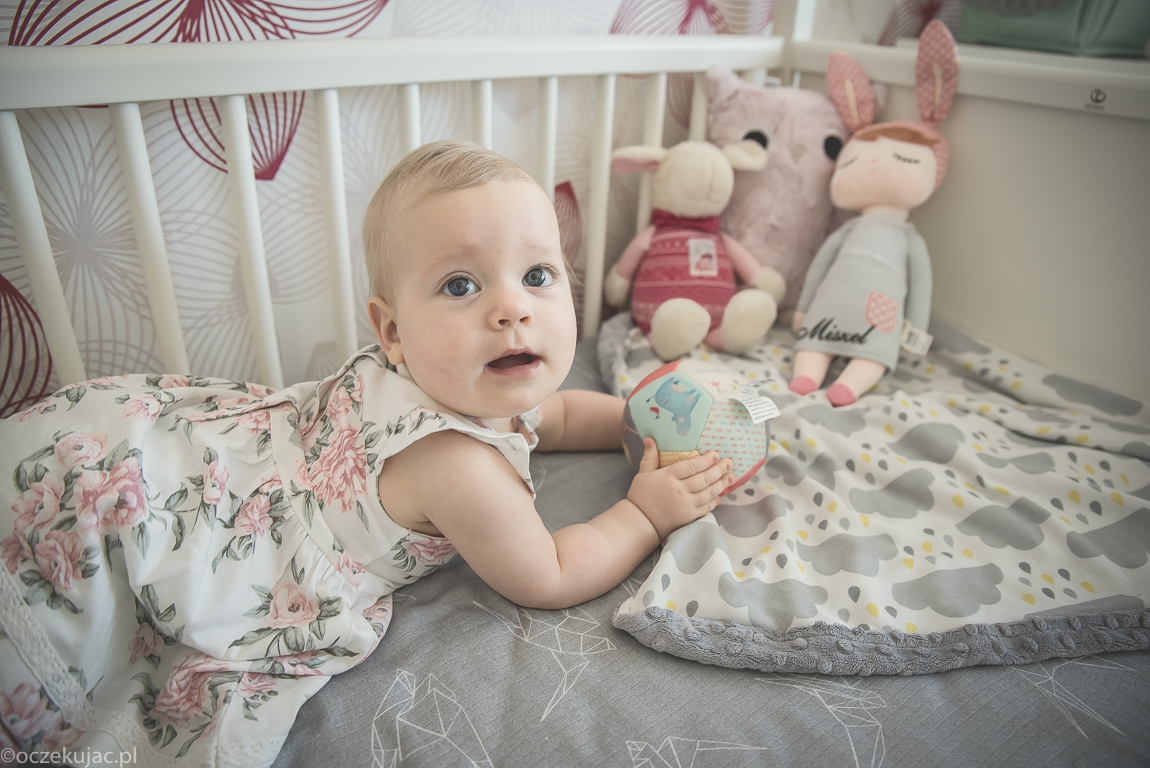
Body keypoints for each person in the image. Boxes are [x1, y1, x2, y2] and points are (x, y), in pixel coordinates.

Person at [0, 140, 734, 766]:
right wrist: (644, 513)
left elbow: (563, 414)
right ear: (392, 332)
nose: (512, 308)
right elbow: (549, 573)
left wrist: (638, 419)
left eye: (538, 276)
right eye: (460, 285)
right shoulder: (455, 461)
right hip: (217, 514)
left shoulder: (465, 376)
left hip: (198, 443)